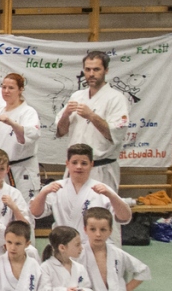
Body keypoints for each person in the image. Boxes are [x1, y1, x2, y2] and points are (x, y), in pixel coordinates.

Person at [55, 51, 130, 193]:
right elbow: (61, 132)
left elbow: (114, 134)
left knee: (100, 206)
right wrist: (66, 114)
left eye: (96, 69)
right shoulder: (77, 96)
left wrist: (91, 115)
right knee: (72, 206)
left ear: (106, 70)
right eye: (87, 69)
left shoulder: (116, 99)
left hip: (101, 168)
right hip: (75, 167)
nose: (91, 74)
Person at [29, 143, 132, 246]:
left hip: (93, 246)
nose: (79, 167)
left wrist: (112, 196)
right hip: (63, 245)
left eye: (84, 163)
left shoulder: (103, 189)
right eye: (74, 162)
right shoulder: (56, 188)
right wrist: (43, 193)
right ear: (67, 163)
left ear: (91, 164)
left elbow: (125, 217)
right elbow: (35, 213)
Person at [80, 208, 155, 291]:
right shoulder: (79, 254)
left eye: (103, 230)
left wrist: (125, 290)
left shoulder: (117, 253)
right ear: (85, 230)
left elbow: (143, 270)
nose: (98, 234)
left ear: (110, 231)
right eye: (93, 229)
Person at [0, 73, 41, 201]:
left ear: (20, 90)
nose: (6, 91)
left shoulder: (28, 112)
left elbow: (27, 138)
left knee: (22, 208)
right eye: (4, 87)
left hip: (20, 171)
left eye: (11, 88)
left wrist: (11, 123)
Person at [0, 148, 32, 254]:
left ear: (8, 169)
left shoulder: (14, 193)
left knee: (31, 251)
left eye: (1, 169)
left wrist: (14, 208)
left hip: (9, 244)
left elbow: (25, 226)